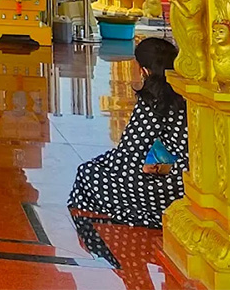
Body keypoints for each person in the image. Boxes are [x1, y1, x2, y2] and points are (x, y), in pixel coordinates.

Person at [68, 37, 188, 227]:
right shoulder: (186, 92)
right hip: (192, 179)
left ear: (144, 70)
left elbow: (130, 150)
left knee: (88, 173)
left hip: (171, 184)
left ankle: (149, 211)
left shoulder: (154, 99)